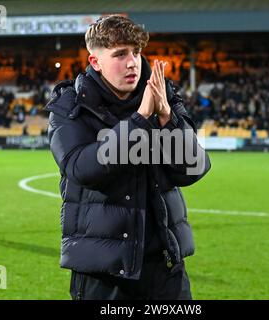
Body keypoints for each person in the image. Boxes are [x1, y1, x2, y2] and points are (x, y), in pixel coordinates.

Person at [46, 15, 211, 300]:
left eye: (136, 52)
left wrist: (166, 118)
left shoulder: (163, 96)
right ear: (95, 62)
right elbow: (82, 168)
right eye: (120, 54)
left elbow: (194, 169)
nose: (132, 62)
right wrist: (140, 119)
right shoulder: (71, 105)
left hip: (165, 268)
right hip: (104, 272)